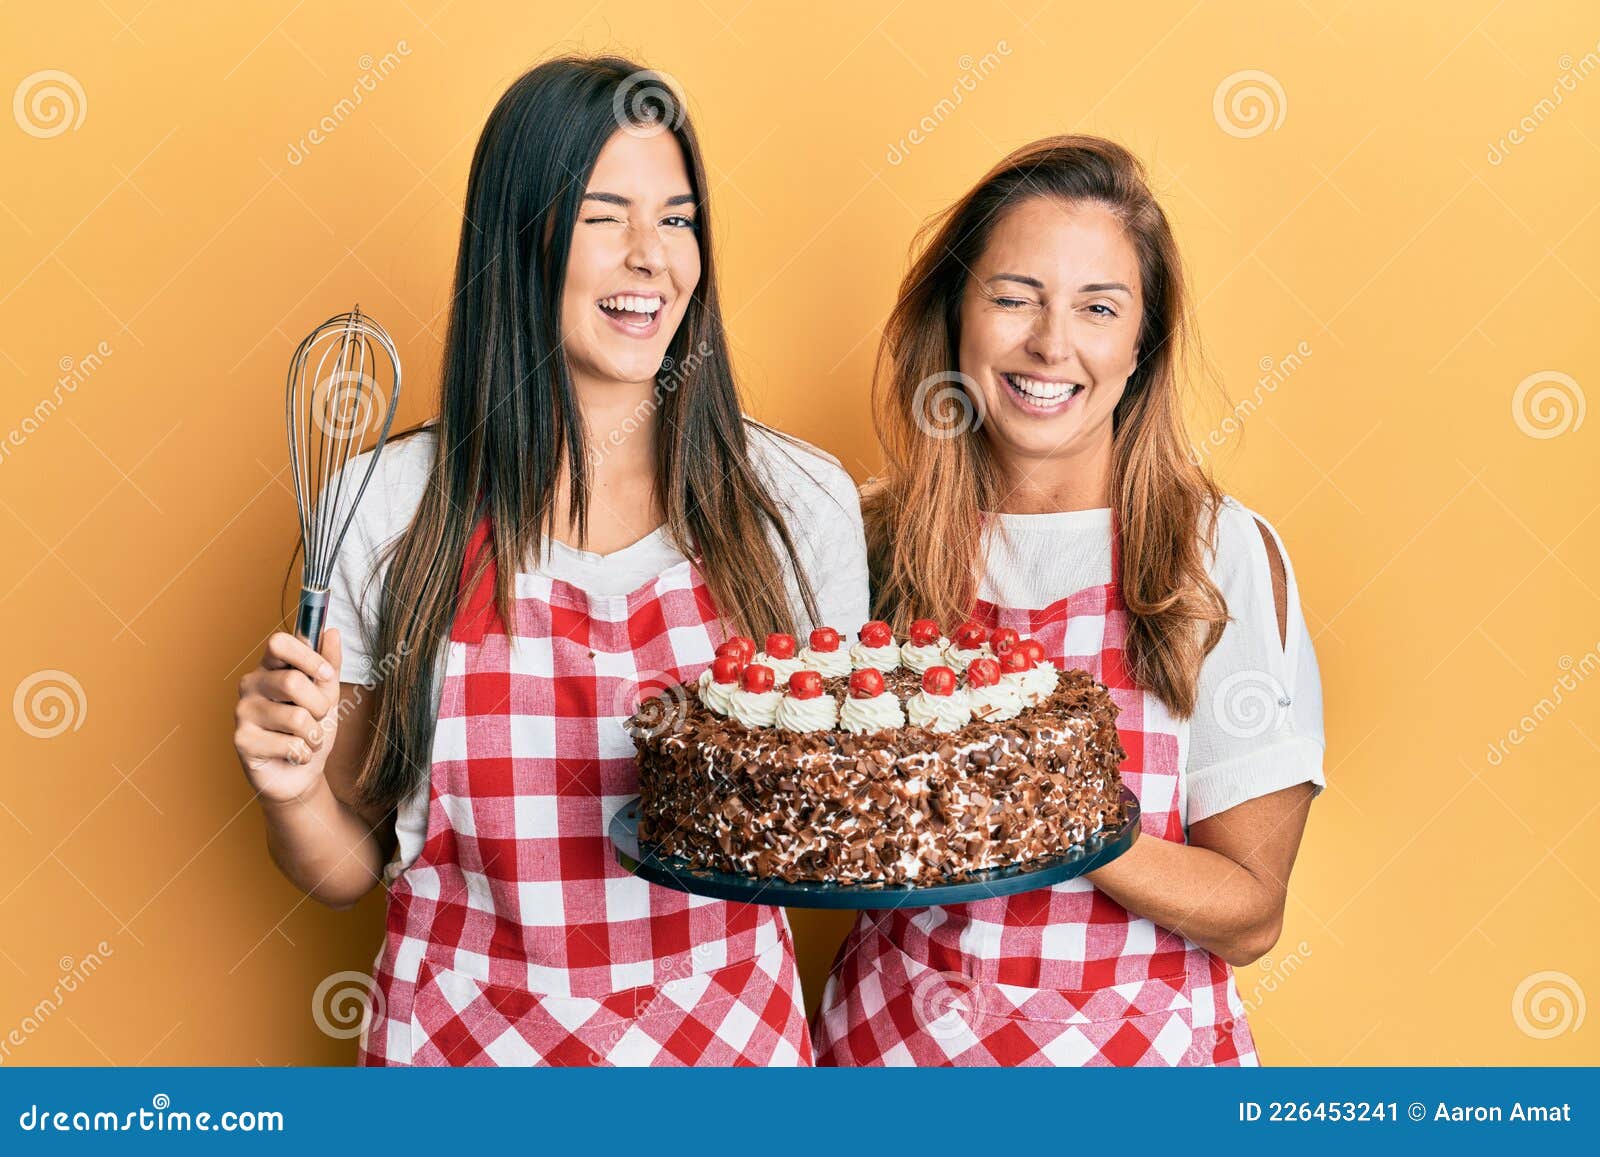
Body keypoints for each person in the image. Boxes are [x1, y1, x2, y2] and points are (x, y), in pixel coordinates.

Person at [233, 56, 868, 1066]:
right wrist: (291, 787)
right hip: (460, 1054)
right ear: (516, 240)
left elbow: (829, 831)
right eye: (600, 214)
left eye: (677, 217)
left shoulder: (795, 503)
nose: (649, 256)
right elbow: (345, 865)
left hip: (726, 1054)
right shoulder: (392, 505)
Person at [814, 135, 1324, 1066]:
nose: (1052, 343)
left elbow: (1251, 913)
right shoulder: (866, 538)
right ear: (954, 317)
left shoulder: (1214, 554)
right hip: (895, 1050)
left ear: (1142, 344)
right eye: (1013, 297)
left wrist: (1049, 815)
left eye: (1098, 307)